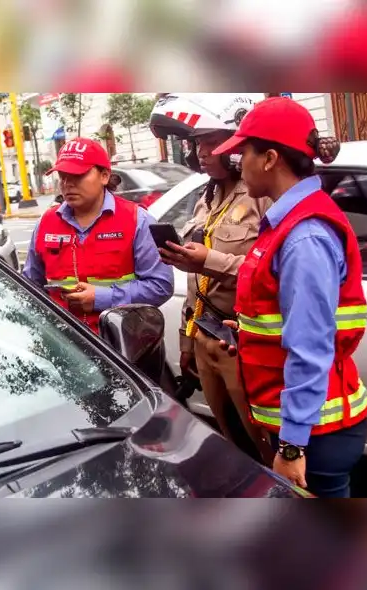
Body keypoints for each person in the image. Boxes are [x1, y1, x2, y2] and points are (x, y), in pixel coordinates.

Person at [211, 97, 367, 497]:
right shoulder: (289, 223)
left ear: (269, 159)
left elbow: (311, 345)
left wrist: (291, 446)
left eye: (243, 153)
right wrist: (249, 333)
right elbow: (287, 316)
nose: (238, 164)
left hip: (316, 435)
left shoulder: (304, 236)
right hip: (310, 428)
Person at [147, 93, 276, 464]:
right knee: (232, 444)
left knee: (265, 448)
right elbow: (195, 283)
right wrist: (187, 341)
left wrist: (209, 261)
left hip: (242, 343)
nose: (201, 153)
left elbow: (269, 269)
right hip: (205, 338)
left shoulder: (261, 197)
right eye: (196, 144)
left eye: (210, 143)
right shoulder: (207, 195)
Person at [22, 137, 174, 333]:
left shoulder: (138, 220)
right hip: (64, 342)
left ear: (104, 176)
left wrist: (101, 297)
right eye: (63, 176)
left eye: (77, 175)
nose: (67, 183)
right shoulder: (46, 223)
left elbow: (160, 286)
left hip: (120, 344)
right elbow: (30, 287)